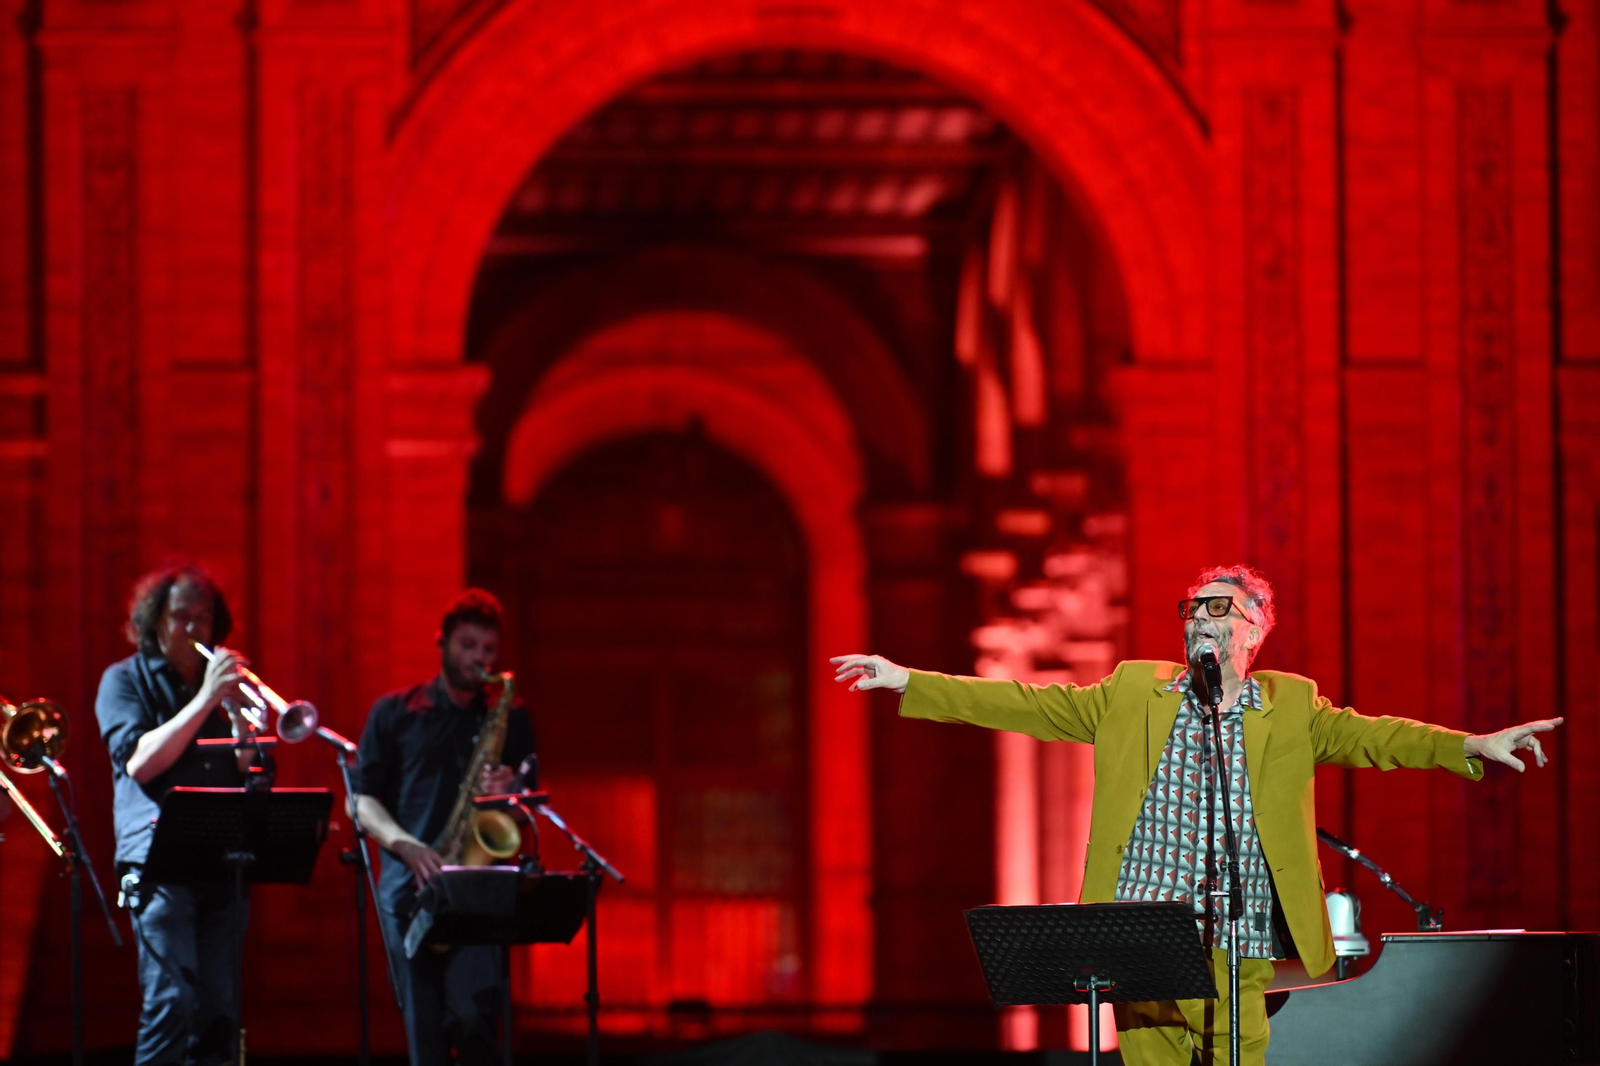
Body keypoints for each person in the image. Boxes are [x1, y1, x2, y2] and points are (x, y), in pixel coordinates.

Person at [832, 564, 1562, 1066]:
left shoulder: (1289, 705)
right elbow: (1026, 704)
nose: (1201, 622)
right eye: (1193, 610)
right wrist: (908, 680)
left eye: (1220, 610)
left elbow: (1378, 738)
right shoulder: (1131, 693)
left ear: (1253, 631)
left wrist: (1470, 744)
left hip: (1235, 941)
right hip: (1141, 931)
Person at [353, 588, 535, 1065]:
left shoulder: (509, 719)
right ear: (443, 642)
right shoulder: (394, 713)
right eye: (468, 645)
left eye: (489, 650)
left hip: (477, 892)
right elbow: (361, 801)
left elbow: (523, 812)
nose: (479, 659)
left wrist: (510, 791)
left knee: (478, 1026)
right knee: (426, 1039)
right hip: (408, 892)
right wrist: (407, 847)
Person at [96, 560, 259, 1066]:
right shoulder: (123, 680)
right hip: (157, 862)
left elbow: (251, 770)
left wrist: (237, 721)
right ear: (156, 622)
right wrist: (206, 699)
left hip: (222, 858)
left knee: (220, 1013)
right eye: (181, 617)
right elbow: (141, 763)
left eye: (203, 619)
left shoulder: (220, 688)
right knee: (172, 1004)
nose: (193, 629)